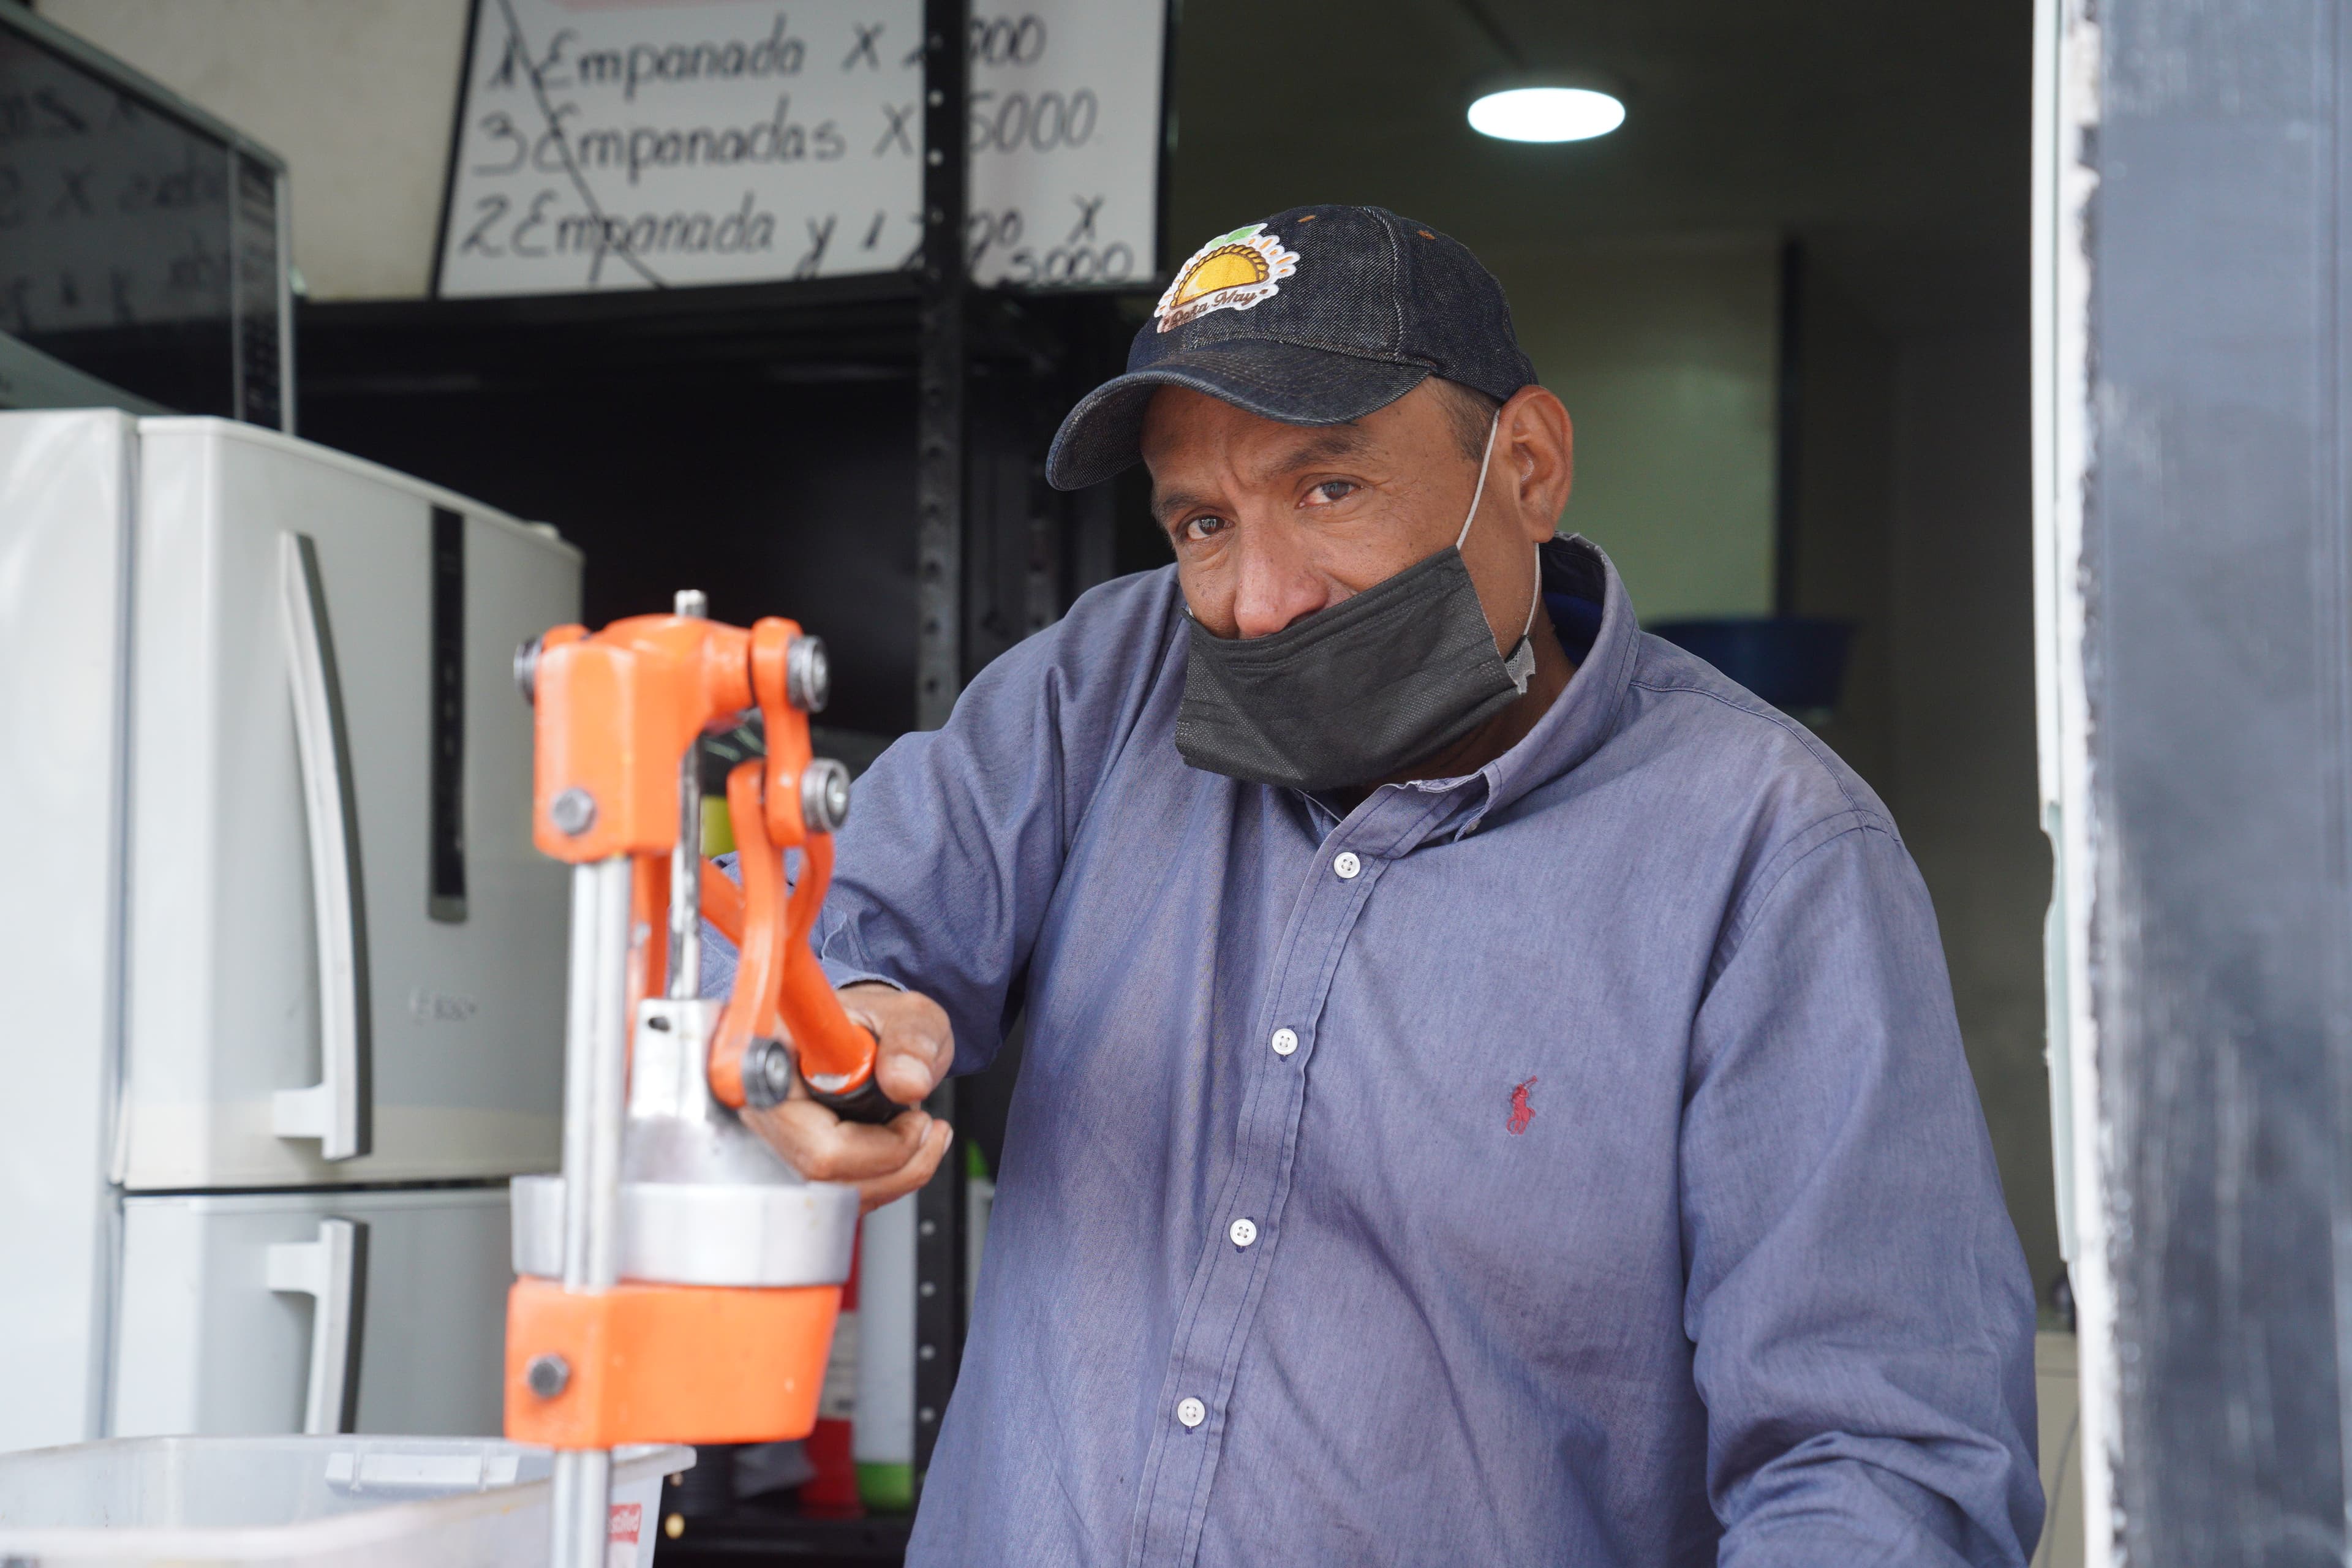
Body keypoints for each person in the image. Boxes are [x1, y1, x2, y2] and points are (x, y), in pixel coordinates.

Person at [709, 205, 2041, 1566]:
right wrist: (835, 1010)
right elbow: (794, 925)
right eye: (1203, 522)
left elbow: (1883, 1464)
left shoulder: (1765, 850)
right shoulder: (1108, 685)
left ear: (1526, 465)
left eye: (1328, 489)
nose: (1262, 598)